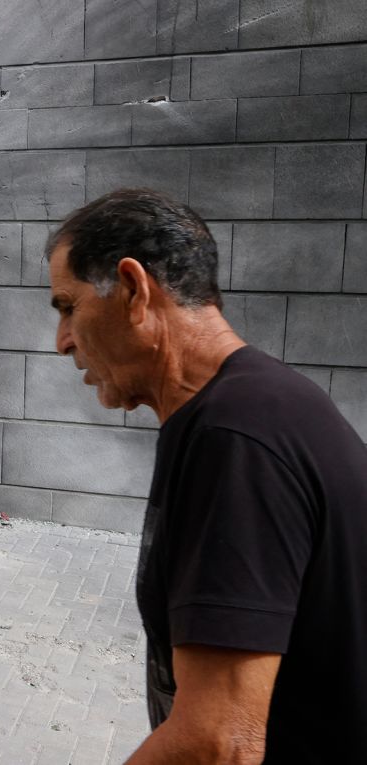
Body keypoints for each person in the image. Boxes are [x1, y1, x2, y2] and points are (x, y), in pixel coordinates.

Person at [45, 188, 367, 763]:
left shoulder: (237, 438)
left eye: (68, 307)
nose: (62, 341)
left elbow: (220, 742)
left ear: (134, 291)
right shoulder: (254, 406)